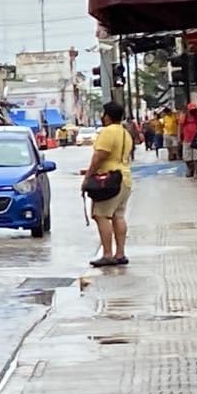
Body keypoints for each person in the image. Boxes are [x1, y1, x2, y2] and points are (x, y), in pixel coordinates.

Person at [87, 100, 135, 268]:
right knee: (118, 216)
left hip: (109, 180)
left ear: (107, 116)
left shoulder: (107, 132)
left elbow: (99, 156)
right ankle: (120, 253)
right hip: (125, 178)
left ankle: (107, 254)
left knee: (101, 215)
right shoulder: (125, 133)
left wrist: (88, 176)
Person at [180, 103, 197, 179]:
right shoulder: (184, 117)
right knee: (187, 157)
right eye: (191, 110)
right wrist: (179, 137)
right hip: (187, 139)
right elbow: (180, 126)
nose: (193, 112)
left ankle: (196, 172)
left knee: (196, 157)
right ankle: (190, 169)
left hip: (196, 140)